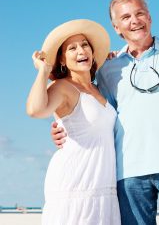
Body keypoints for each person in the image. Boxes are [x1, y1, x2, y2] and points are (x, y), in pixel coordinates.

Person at [51, 0, 159, 224]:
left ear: (149, 17)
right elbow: (90, 105)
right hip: (128, 172)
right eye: (125, 17)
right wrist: (61, 126)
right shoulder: (108, 68)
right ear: (116, 28)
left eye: (140, 14)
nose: (134, 21)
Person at [26, 19, 121, 224]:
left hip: (103, 188)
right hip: (75, 185)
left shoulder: (99, 88)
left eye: (85, 44)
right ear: (62, 59)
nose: (81, 50)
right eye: (72, 47)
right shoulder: (62, 87)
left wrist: (113, 60)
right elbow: (35, 110)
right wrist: (43, 71)